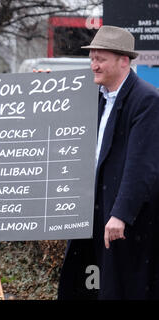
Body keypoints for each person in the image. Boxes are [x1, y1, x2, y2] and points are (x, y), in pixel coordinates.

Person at [58, 26, 159, 299]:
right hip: (93, 211)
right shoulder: (96, 96)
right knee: (86, 284)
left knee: (121, 288)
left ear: (123, 60)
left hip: (122, 221)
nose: (94, 65)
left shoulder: (146, 99)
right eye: (92, 58)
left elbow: (142, 165)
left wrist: (121, 215)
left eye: (100, 58)